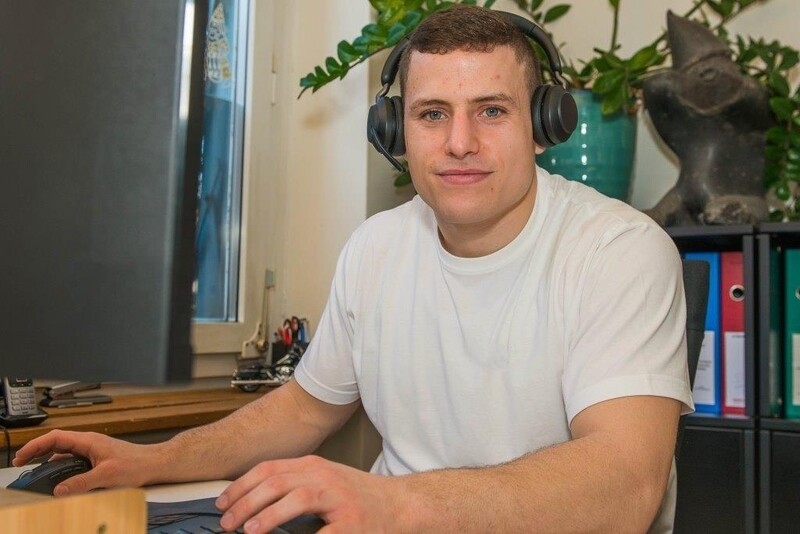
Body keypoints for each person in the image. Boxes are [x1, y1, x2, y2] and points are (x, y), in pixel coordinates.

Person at [14, 5, 693, 533]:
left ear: (545, 123)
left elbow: (624, 488)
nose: (460, 142)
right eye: (432, 114)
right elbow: (306, 407)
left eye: (491, 110)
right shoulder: (377, 248)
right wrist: (151, 459)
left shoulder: (619, 251)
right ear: (395, 132)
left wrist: (396, 505)